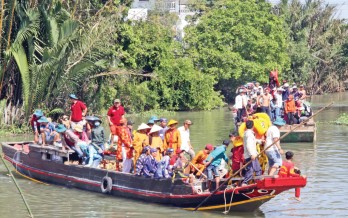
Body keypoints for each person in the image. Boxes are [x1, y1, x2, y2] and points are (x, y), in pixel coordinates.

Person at [242, 120, 262, 186]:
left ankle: (256, 181)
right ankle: (246, 182)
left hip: (250, 154)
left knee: (254, 169)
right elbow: (249, 145)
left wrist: (260, 141)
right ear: (253, 126)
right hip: (251, 155)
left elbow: (252, 140)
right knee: (254, 169)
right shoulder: (249, 134)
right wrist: (252, 154)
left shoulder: (247, 133)